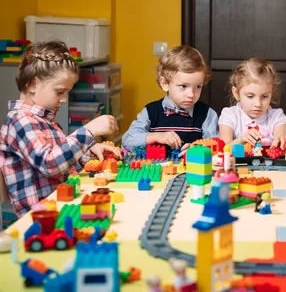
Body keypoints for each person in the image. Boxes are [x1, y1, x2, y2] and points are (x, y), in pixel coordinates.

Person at [0, 41, 120, 217]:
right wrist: (88, 131)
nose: (63, 99)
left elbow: (63, 161)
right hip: (42, 217)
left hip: (62, 205)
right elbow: (50, 164)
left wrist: (90, 151)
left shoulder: (44, 120)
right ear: (33, 85)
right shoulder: (20, 121)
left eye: (67, 93)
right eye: (59, 91)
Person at [123, 45, 218, 152]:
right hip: (156, 167)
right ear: (165, 84)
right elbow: (127, 140)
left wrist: (197, 148)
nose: (191, 94)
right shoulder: (150, 112)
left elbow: (216, 145)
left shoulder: (207, 114)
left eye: (198, 87)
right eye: (183, 86)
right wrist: (155, 136)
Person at [219, 58, 286, 149]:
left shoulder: (277, 117)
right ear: (236, 93)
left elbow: (280, 146)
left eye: (264, 96)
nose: (258, 104)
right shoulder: (229, 116)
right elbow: (223, 149)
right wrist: (241, 140)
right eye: (250, 96)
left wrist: (279, 144)